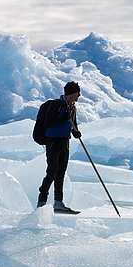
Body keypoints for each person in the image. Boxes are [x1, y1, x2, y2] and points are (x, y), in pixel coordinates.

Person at [37, 81, 82, 214]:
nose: (79, 96)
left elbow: (73, 124)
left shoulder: (72, 107)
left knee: (61, 173)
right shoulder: (57, 105)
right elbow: (49, 123)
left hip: (64, 142)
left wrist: (76, 133)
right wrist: (63, 119)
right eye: (77, 93)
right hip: (53, 142)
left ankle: (58, 202)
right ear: (72, 93)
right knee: (52, 171)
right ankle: (42, 201)